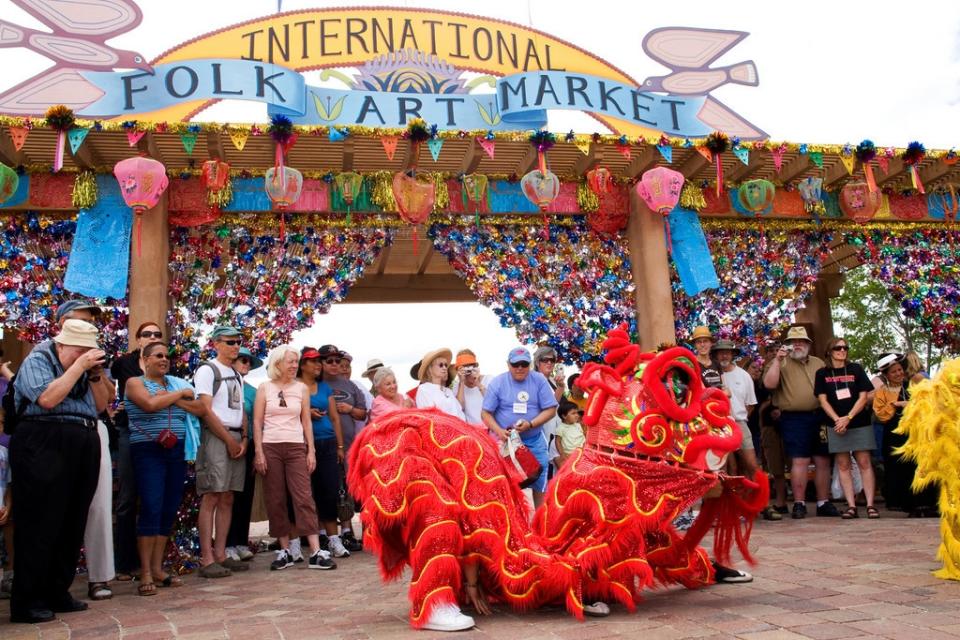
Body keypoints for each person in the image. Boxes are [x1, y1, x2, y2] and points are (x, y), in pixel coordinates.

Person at [10, 319, 111, 624]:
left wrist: (94, 376)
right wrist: (78, 367)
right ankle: (28, 600)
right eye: (81, 350)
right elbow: (48, 399)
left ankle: (57, 590)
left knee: (72, 519)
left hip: (82, 438)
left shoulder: (85, 367)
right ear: (63, 344)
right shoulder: (39, 358)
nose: (86, 355)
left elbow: (101, 406)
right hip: (44, 438)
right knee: (41, 521)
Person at [125, 342, 208, 594]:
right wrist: (178, 397)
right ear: (146, 359)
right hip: (148, 449)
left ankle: (158, 568)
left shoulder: (176, 384)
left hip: (176, 450)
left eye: (167, 356)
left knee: (169, 507)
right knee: (151, 505)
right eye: (158, 356)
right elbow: (148, 405)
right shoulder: (134, 382)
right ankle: (146, 572)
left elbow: (201, 408)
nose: (164, 359)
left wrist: (173, 400)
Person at [53, 300, 118, 602]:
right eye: (82, 319)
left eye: (92, 321)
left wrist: (95, 374)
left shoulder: (96, 360)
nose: (90, 325)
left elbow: (102, 404)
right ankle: (51, 582)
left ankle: (100, 577)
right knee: (57, 507)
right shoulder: (48, 355)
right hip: (55, 432)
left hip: (93, 429)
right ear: (63, 322)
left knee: (100, 505)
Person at [253, 346, 335, 571]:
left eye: (295, 362)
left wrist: (311, 451)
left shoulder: (301, 388)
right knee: (276, 498)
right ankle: (285, 550)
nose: (293, 366)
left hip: (296, 445)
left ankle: (316, 551)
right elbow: (257, 422)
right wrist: (258, 452)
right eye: (289, 361)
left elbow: (306, 421)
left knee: (303, 496)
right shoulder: (264, 388)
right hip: (270, 446)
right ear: (277, 363)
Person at [763, 326, 838, 519]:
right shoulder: (780, 362)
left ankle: (823, 502)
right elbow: (769, 384)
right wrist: (778, 361)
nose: (797, 344)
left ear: (808, 344)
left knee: (823, 459)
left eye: (801, 341)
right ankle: (799, 503)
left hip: (820, 415)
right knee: (800, 460)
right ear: (787, 344)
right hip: (794, 417)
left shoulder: (818, 363)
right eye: (793, 341)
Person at [110, 320, 165, 582]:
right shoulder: (123, 363)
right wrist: (113, 408)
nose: (152, 337)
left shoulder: (162, 361)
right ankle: (123, 564)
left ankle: (153, 562)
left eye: (157, 334)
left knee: (153, 498)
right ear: (137, 338)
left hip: (156, 434)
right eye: (147, 334)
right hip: (129, 432)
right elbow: (106, 385)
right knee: (128, 497)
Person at [193, 326, 249, 578]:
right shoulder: (208, 370)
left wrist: (244, 438)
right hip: (217, 437)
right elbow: (205, 410)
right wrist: (228, 439)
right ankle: (206, 558)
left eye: (238, 341)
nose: (235, 346)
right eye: (230, 342)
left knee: (228, 496)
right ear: (216, 343)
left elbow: (241, 409)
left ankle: (221, 553)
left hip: (236, 436)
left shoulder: (235, 374)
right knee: (212, 495)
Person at [481, 347, 558, 508]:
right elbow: (485, 413)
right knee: (507, 484)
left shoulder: (538, 380)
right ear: (508, 365)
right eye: (516, 364)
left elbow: (551, 409)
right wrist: (499, 431)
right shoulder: (498, 382)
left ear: (530, 365)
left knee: (540, 482)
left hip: (534, 440)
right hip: (507, 444)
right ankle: (513, 524)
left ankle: (538, 523)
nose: (520, 368)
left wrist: (531, 424)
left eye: (524, 364)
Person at [814, 338, 878, 519]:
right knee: (843, 464)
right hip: (836, 424)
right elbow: (822, 400)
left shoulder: (856, 369)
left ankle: (870, 504)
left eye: (845, 348)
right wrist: (837, 420)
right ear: (829, 351)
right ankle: (851, 505)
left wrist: (848, 418)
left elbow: (864, 396)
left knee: (864, 462)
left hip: (858, 422)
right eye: (837, 348)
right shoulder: (822, 373)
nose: (842, 351)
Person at [298, 348, 350, 559]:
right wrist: (305, 412)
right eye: (313, 362)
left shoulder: (324, 387)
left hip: (327, 442)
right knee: (306, 493)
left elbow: (335, 418)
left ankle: (334, 539)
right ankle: (312, 538)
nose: (318, 365)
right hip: (301, 444)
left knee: (328, 491)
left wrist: (339, 446)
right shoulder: (295, 387)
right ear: (302, 365)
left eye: (320, 362)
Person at [873, 354, 938, 517]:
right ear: (886, 375)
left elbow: (928, 402)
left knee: (920, 466)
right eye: (893, 372)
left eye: (900, 370)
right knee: (901, 470)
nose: (898, 374)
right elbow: (882, 415)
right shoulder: (882, 392)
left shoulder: (913, 384)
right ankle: (910, 505)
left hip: (916, 432)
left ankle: (927, 503)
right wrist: (893, 406)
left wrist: (905, 404)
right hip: (894, 434)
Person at [319, 345, 366, 552]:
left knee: (345, 490)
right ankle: (324, 534)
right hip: (323, 442)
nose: (335, 364)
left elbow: (363, 413)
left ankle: (346, 532)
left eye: (337, 361)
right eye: (329, 361)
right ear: (320, 363)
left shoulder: (351, 386)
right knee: (323, 489)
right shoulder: (316, 385)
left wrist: (350, 409)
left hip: (349, 446)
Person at [225, 347, 262, 564]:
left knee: (245, 494)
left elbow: (259, 422)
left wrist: (257, 450)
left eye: (249, 361)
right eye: (242, 360)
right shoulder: (221, 385)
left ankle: (240, 540)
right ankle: (227, 543)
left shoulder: (253, 392)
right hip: (227, 443)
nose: (246, 364)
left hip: (248, 446)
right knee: (227, 495)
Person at [713, 340, 759, 479]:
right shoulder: (711, 374)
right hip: (717, 424)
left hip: (739, 423)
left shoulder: (744, 376)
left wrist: (738, 418)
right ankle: (725, 499)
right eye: (721, 353)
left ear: (732, 355)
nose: (724, 356)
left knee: (751, 464)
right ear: (715, 355)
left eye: (727, 353)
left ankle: (755, 497)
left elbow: (750, 404)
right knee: (724, 467)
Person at [416, 348, 465, 420]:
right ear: (430, 369)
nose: (445, 368)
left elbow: (459, 410)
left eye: (445, 365)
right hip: (442, 429)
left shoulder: (448, 390)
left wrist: (462, 381)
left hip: (460, 428)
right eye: (441, 365)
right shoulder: (424, 389)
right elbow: (430, 417)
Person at [453, 350, 488, 426]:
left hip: (491, 428)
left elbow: (492, 401)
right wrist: (461, 382)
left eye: (470, 366)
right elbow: (460, 408)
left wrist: (478, 383)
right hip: (472, 430)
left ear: (475, 367)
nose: (468, 371)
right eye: (464, 368)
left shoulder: (488, 380)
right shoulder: (458, 386)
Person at [554, 401, 585, 468]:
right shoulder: (561, 428)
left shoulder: (578, 425)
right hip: (569, 454)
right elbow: (558, 441)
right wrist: (562, 454)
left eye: (577, 413)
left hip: (582, 453)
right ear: (564, 416)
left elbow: (582, 437)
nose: (577, 415)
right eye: (573, 413)